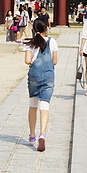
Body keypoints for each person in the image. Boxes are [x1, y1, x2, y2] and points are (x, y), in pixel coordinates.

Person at [25, 18, 58, 152]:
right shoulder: (52, 42)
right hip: (48, 76)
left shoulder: (30, 43)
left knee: (33, 105)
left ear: (34, 29)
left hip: (34, 77)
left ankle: (32, 134)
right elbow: (55, 61)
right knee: (45, 106)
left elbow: (27, 60)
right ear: (47, 28)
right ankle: (42, 134)